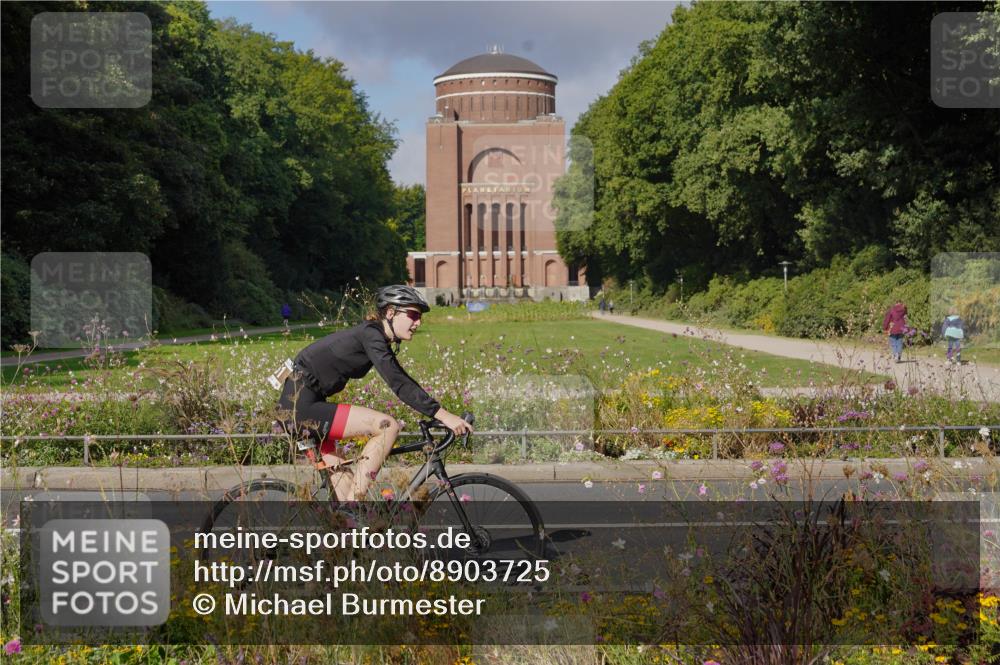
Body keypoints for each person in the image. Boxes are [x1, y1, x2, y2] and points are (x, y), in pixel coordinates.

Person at [277, 285, 472, 501]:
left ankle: (350, 521)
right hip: (301, 408)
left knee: (349, 512)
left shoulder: (373, 336)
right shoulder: (370, 334)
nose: (418, 323)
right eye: (413, 315)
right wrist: (444, 415)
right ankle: (356, 502)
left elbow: (401, 377)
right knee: (388, 426)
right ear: (390, 312)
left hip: (304, 405)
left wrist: (437, 412)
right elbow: (398, 382)